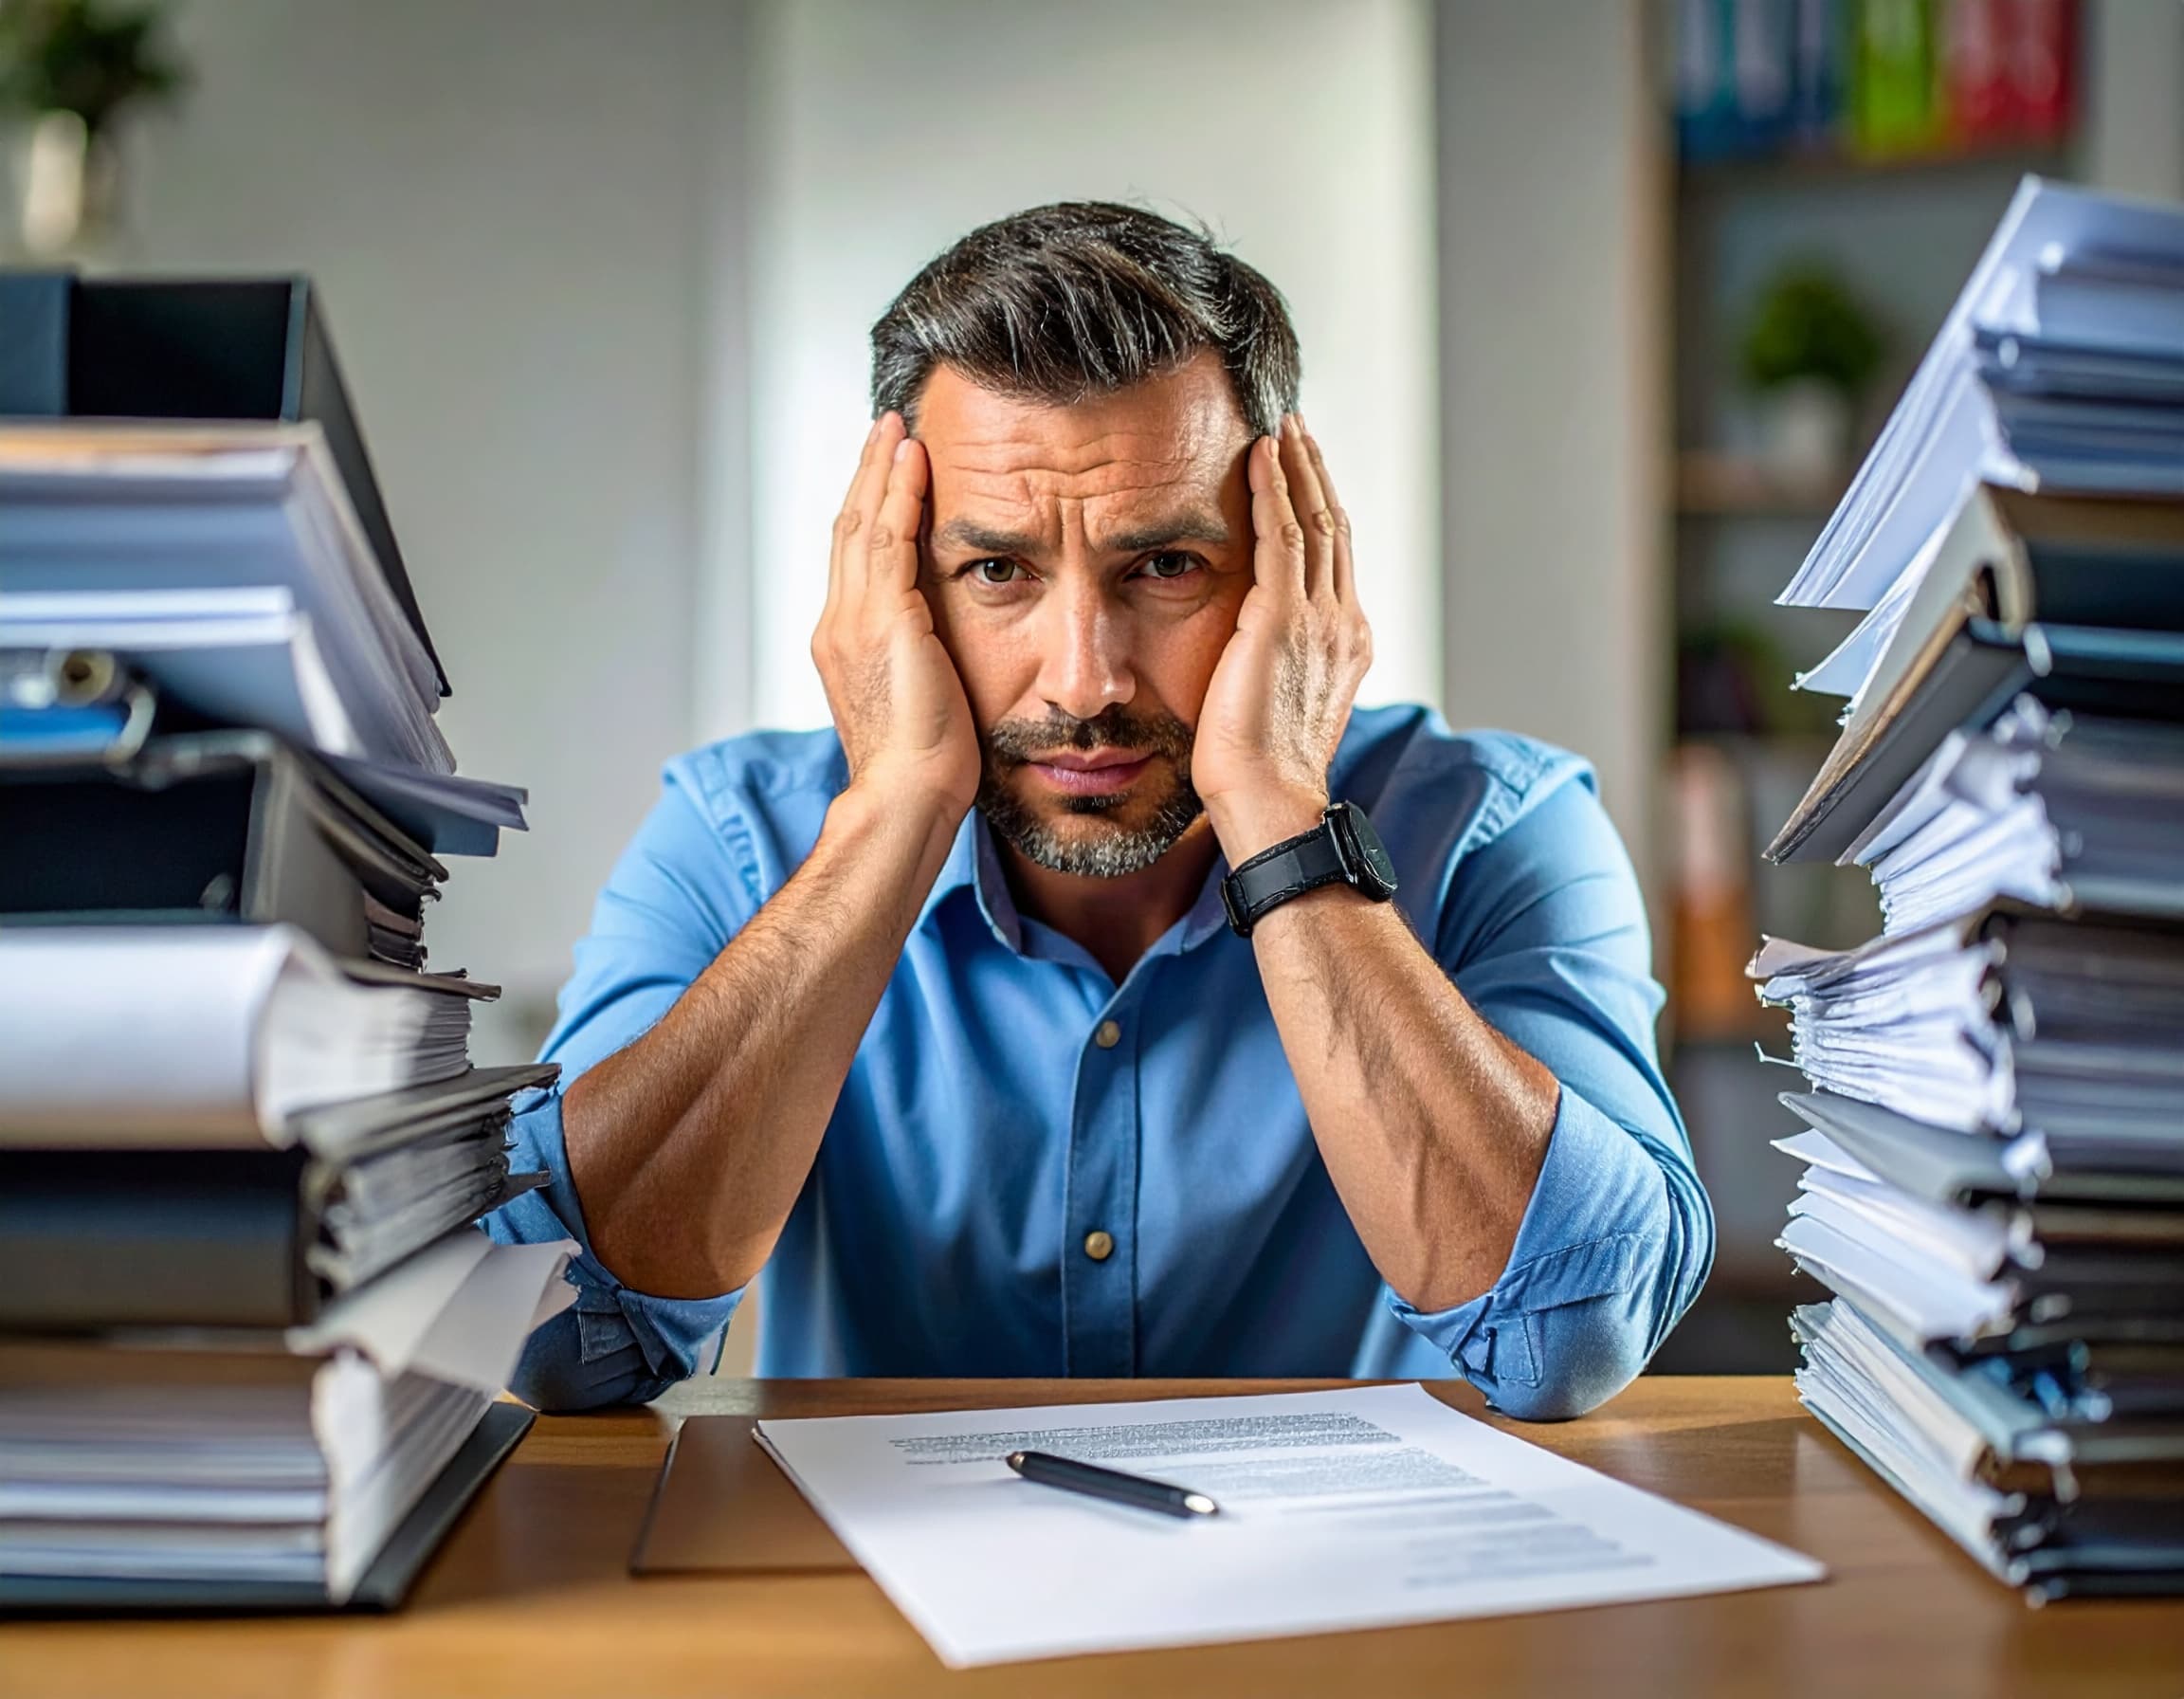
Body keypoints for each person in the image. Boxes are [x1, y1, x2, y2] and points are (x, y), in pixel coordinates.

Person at [485, 202, 1712, 1418]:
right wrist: (896, 814)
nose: (1084, 680)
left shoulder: (1499, 833)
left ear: (1290, 570)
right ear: (897, 579)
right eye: (998, 571)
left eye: (1165, 565)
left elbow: (1567, 1337)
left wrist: (1279, 816)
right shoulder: (738, 833)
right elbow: (561, 1332)